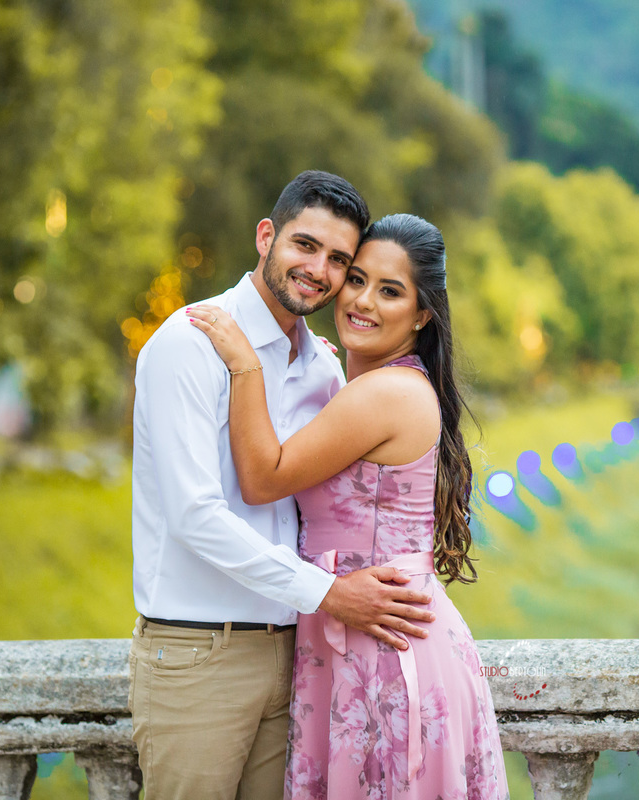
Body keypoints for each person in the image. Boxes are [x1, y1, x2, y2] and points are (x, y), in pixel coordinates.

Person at [130, 171, 436, 800]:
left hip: (297, 655)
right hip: (198, 651)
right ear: (266, 237)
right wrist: (327, 592)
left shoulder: (322, 366)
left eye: (339, 261)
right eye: (305, 245)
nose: (318, 270)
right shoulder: (190, 344)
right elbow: (195, 516)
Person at [185, 213, 509, 799]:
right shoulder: (360, 385)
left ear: (422, 314)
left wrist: (245, 363)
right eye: (356, 279)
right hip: (354, 632)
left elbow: (264, 477)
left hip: (382, 646)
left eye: (390, 291)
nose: (362, 300)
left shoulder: (387, 393)